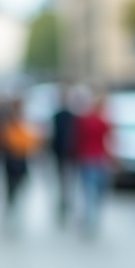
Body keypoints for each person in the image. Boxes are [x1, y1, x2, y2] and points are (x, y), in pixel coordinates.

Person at [73, 93, 112, 234]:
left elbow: (77, 138)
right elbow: (110, 140)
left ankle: (88, 218)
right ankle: (93, 219)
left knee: (88, 191)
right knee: (97, 191)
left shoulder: (85, 119)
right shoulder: (103, 120)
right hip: (98, 158)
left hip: (87, 158)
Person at [0, 100, 39, 217]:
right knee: (11, 185)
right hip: (12, 158)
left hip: (20, 158)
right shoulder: (10, 123)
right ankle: (11, 206)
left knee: (18, 184)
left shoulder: (22, 122)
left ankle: (14, 206)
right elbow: (6, 140)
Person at [49, 87, 78, 227]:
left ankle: (66, 205)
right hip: (60, 155)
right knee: (63, 182)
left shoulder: (73, 116)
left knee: (67, 182)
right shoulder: (57, 116)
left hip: (69, 155)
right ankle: (63, 205)